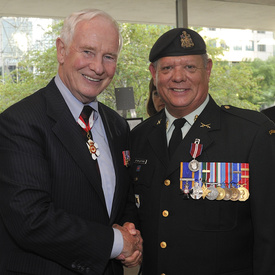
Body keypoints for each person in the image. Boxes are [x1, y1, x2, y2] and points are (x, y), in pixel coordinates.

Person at [0, 9, 142, 275]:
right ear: (61, 51)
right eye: (88, 52)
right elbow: (30, 220)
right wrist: (115, 242)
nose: (98, 67)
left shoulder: (117, 126)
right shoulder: (20, 122)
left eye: (108, 56)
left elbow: (123, 203)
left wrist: (131, 235)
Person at [129, 28, 275, 274]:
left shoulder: (251, 134)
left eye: (189, 67)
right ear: (154, 74)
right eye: (167, 68)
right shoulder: (138, 138)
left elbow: (270, 235)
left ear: (207, 69)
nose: (178, 77)